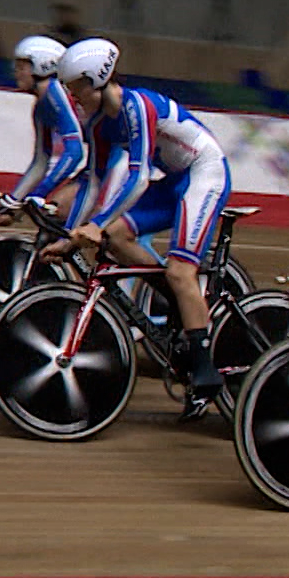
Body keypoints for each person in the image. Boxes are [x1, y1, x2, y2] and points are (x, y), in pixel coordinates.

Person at [41, 37, 233, 420]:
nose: (70, 95)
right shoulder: (97, 122)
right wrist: (73, 236)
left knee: (182, 271)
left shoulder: (137, 106)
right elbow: (93, 184)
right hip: (176, 179)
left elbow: (139, 177)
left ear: (96, 80)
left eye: (74, 86)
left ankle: (205, 369)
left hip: (204, 173)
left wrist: (95, 223)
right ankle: (176, 299)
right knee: (115, 238)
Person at [0, 35, 85, 226]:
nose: (16, 73)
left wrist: (38, 194)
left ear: (42, 66)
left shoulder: (56, 94)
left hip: (118, 160)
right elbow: (41, 161)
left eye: (22, 67)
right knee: (58, 216)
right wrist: (13, 200)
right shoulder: (41, 107)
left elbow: (74, 153)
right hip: (102, 161)